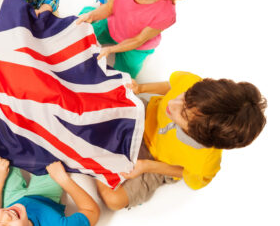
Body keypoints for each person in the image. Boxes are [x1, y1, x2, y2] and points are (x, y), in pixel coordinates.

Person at [96, 71, 267, 210]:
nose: (172, 103)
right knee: (100, 101)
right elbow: (171, 85)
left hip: (154, 160)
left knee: (114, 200)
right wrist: (141, 88)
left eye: (183, 114)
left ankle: (98, 161)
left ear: (199, 136)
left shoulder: (206, 161)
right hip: (145, 116)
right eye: (185, 96)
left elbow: (186, 174)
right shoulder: (193, 85)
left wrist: (147, 166)